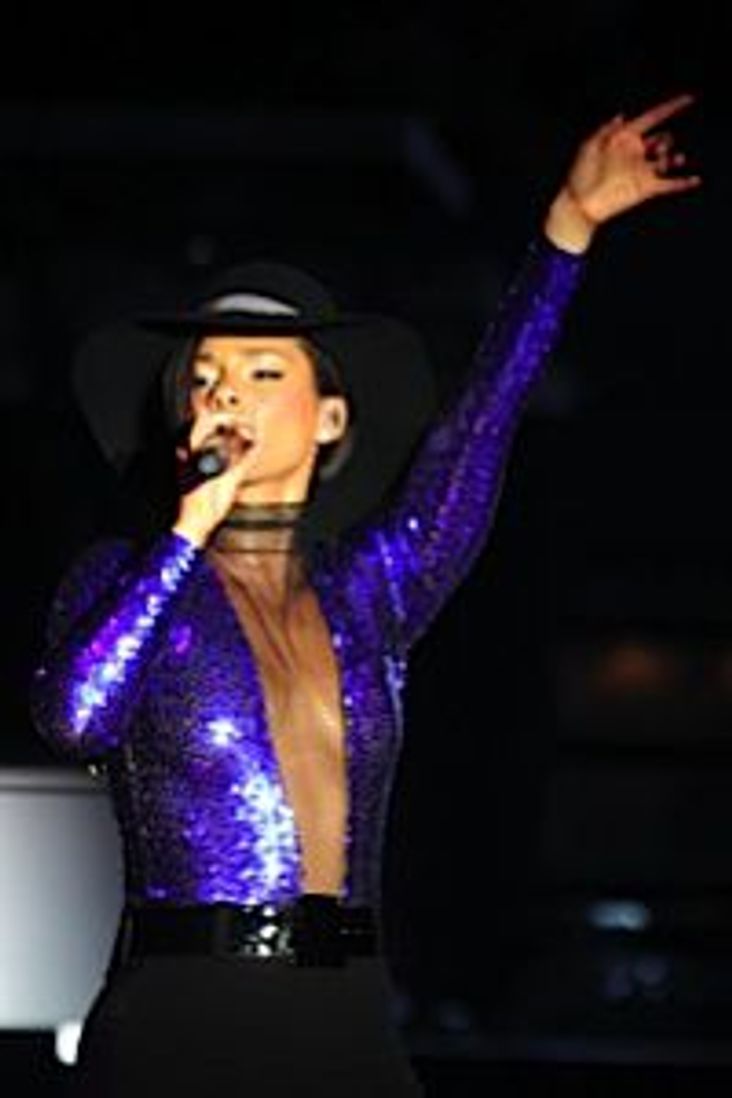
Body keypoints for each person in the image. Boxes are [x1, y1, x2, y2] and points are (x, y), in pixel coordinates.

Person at [30, 94, 699, 1096]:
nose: (223, 394)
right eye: (204, 378)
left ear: (329, 418)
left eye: (262, 372)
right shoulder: (128, 579)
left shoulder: (366, 596)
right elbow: (74, 718)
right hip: (184, 1007)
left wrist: (566, 233)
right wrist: (185, 535)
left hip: (346, 1005)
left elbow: (478, 431)